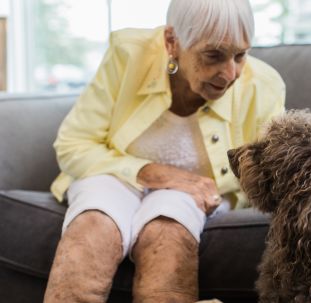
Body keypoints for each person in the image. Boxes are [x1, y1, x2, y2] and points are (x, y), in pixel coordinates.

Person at [44, 0, 285, 302]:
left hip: (195, 194)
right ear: (172, 41)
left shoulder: (263, 86)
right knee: (95, 225)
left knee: (168, 232)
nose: (230, 73)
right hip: (115, 175)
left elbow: (267, 180)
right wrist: (153, 173)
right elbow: (73, 144)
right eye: (213, 55)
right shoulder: (128, 54)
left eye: (240, 55)